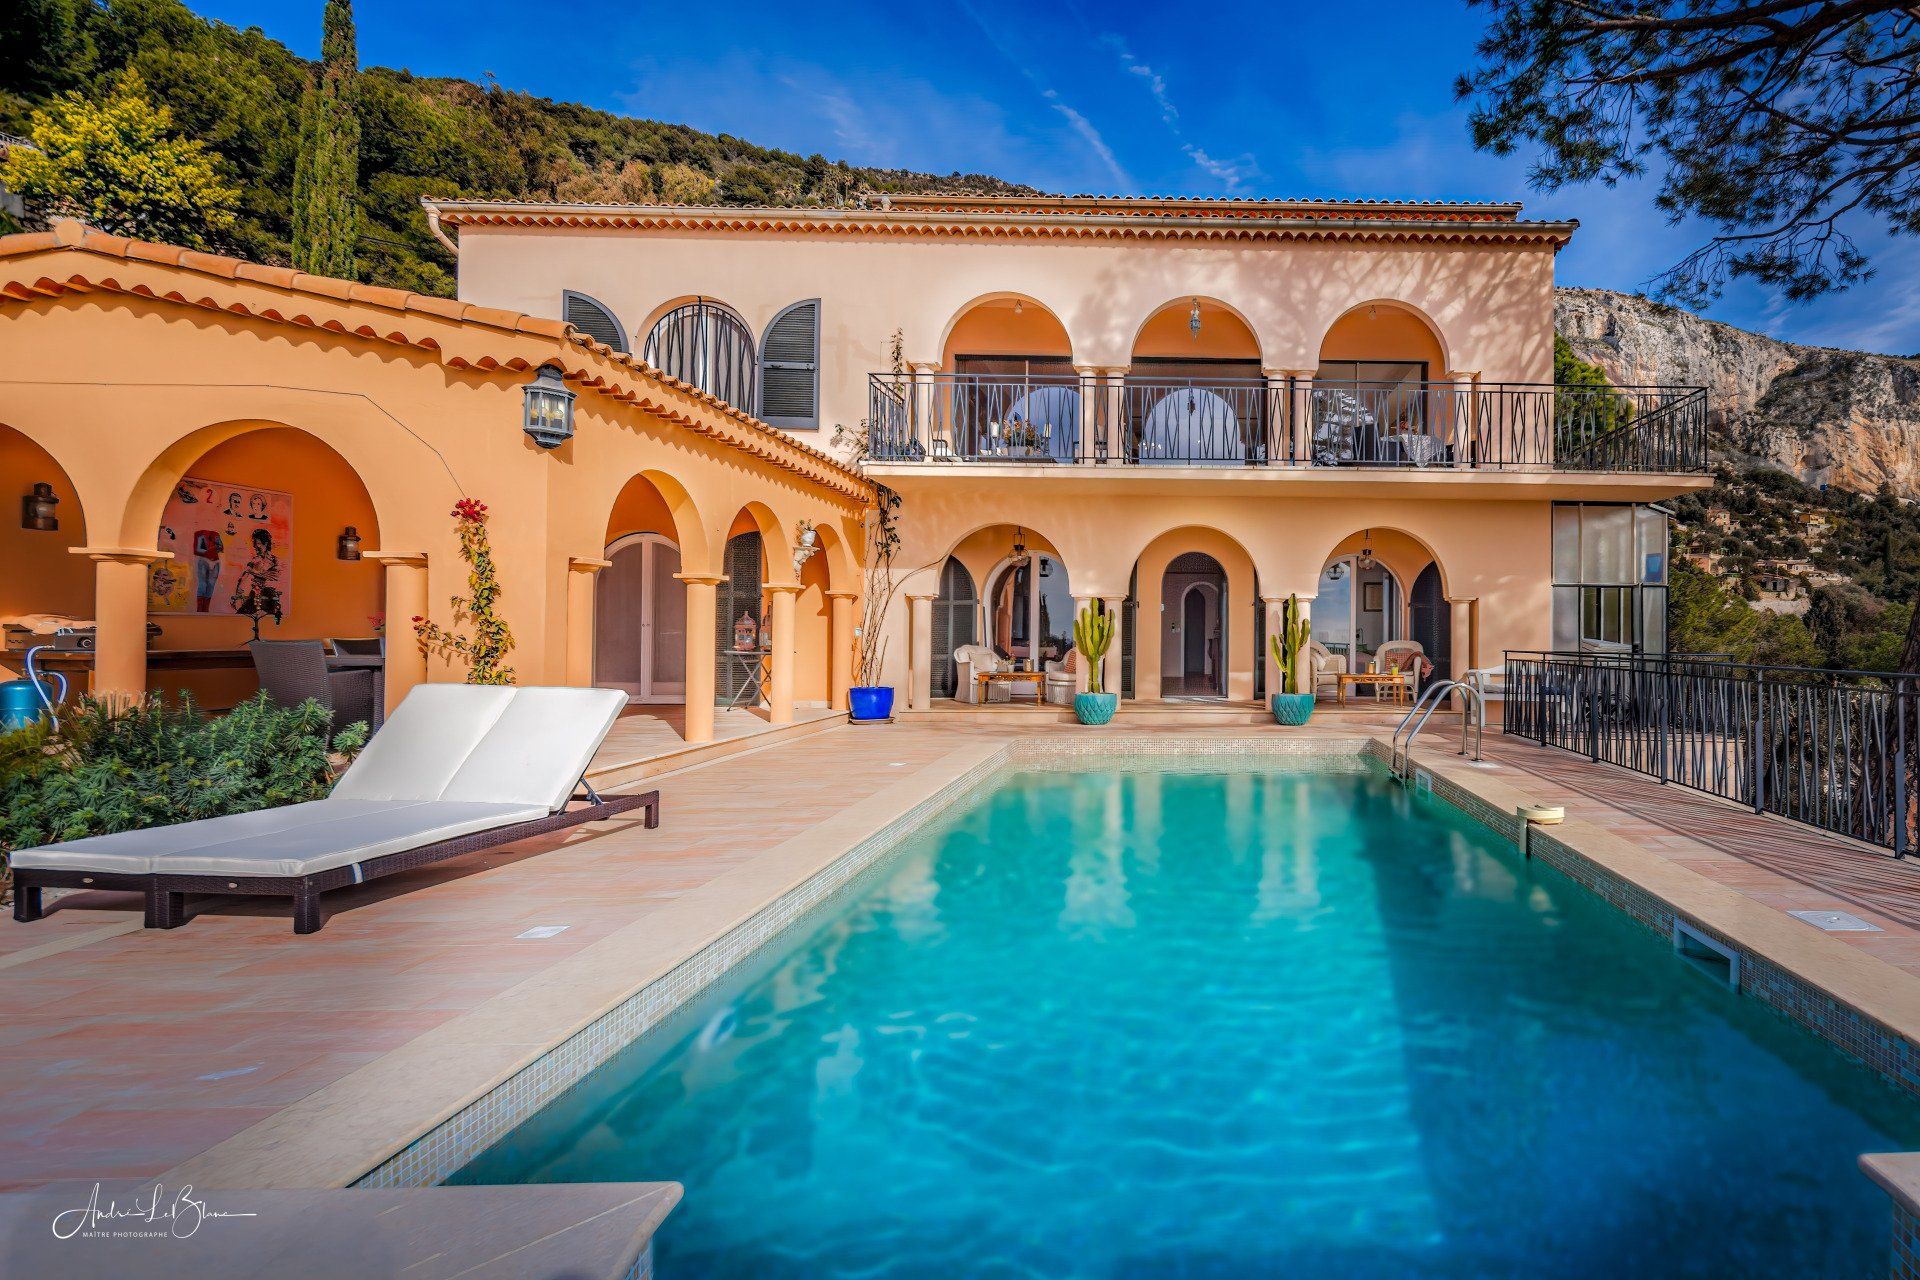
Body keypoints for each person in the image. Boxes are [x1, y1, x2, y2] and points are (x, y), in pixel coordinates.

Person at [191, 527, 224, 612]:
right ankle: (200, 609)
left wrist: (212, 549)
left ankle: (205, 609)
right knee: (203, 585)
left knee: (210, 585)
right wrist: (213, 548)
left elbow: (221, 547)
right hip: (205, 560)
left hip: (215, 561)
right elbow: (199, 550)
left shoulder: (215, 535)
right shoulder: (201, 535)